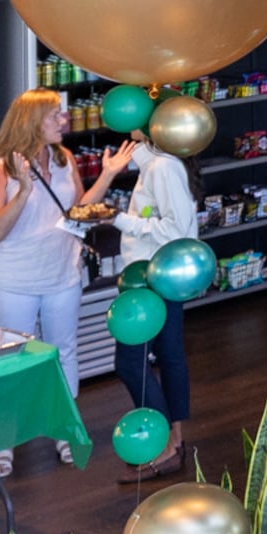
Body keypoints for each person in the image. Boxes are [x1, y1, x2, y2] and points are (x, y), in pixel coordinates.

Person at [0, 88, 139, 475]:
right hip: (12, 279)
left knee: (62, 351)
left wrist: (110, 174)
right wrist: (25, 193)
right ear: (31, 122)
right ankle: (3, 445)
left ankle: (64, 430)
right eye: (56, 116)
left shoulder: (64, 159)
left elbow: (77, 211)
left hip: (62, 272)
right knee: (10, 359)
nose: (64, 121)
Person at [109, 135, 202, 480]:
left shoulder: (162, 167)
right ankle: (174, 441)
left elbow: (178, 230)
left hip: (151, 278)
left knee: (130, 363)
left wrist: (120, 219)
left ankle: (162, 446)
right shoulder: (155, 163)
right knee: (170, 355)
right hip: (160, 276)